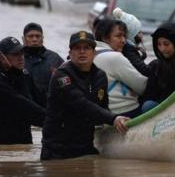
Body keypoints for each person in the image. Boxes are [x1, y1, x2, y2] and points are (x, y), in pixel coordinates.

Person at [41, 31, 129, 160]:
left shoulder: (100, 76)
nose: (82, 52)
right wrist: (114, 118)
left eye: (87, 48)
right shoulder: (61, 76)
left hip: (85, 147)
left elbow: (103, 108)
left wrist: (121, 121)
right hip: (58, 150)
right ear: (70, 53)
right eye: (77, 48)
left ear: (94, 52)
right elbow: (81, 104)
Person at [0, 37, 45, 145]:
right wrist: (56, 122)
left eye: (22, 53)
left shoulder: (24, 74)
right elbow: (26, 108)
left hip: (21, 140)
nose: (21, 58)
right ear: (1, 57)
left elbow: (40, 99)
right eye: (15, 54)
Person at [93, 18, 147, 118]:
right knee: (151, 105)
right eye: (118, 36)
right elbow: (142, 86)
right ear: (105, 38)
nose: (123, 40)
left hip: (100, 113)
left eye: (124, 36)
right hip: (125, 111)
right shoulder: (114, 57)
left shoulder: (89, 54)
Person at [22, 22, 64, 106]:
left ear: (43, 38)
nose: (34, 39)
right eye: (30, 36)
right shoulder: (17, 59)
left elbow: (66, 86)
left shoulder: (54, 59)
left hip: (49, 109)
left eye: (38, 36)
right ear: (23, 39)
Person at [112, 7, 151, 77]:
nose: (142, 35)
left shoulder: (129, 47)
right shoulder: (128, 49)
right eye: (139, 32)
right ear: (131, 34)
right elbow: (143, 70)